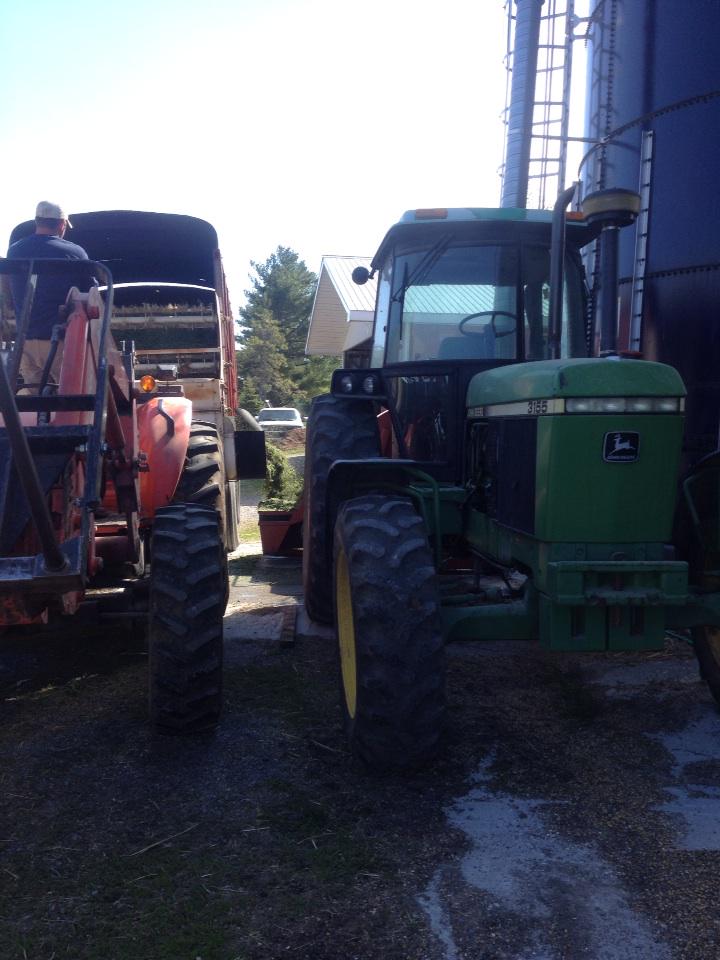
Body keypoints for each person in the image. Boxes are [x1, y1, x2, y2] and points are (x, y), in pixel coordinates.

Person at [6, 201, 90, 392]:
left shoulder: (14, 251)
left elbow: (8, 291)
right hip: (62, 343)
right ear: (62, 224)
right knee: (71, 397)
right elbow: (91, 296)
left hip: (26, 342)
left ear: (37, 221)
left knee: (34, 398)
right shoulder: (74, 253)